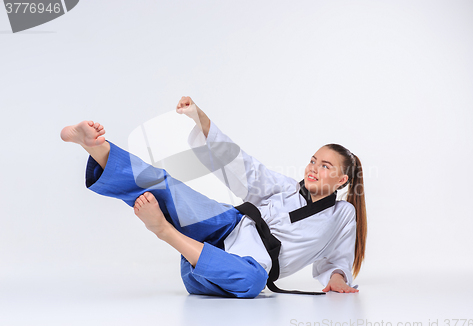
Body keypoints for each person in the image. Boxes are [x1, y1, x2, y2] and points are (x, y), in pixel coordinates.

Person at [60, 96, 367, 298]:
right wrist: (201, 121)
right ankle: (93, 145)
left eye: (325, 166)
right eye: (313, 160)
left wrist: (337, 277)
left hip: (219, 269)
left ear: (342, 180)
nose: (313, 168)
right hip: (225, 225)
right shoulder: (288, 187)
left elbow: (337, 254)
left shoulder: (342, 213)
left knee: (254, 282)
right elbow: (246, 168)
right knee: (168, 185)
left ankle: (163, 231)